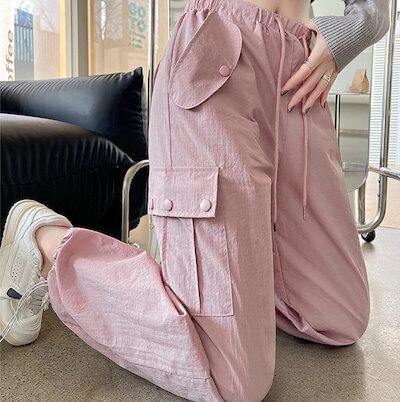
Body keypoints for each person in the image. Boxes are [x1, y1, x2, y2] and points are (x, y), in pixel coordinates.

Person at [0, 0, 390, 401]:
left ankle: (231, 299)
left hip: (298, 68)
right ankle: (47, 246)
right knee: (233, 379)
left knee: (339, 317)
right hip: (218, 52)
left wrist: (353, 30)